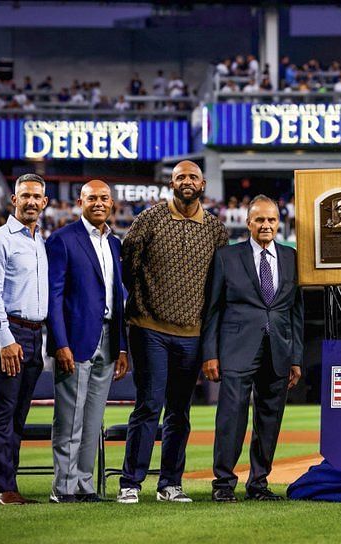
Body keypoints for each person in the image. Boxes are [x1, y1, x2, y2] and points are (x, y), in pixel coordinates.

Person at [117, 161, 228, 504]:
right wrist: (141, 307)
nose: (187, 181)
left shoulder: (215, 229)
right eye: (181, 176)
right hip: (149, 328)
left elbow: (218, 286)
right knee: (149, 405)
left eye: (193, 176)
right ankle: (131, 482)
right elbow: (127, 269)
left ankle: (170, 484)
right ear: (171, 183)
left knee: (180, 411)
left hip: (192, 335)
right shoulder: (149, 219)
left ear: (203, 183)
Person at [203, 195, 304, 502]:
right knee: (231, 418)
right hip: (236, 349)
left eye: (271, 220)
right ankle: (223, 484)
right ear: (248, 223)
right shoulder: (226, 257)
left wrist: (296, 358)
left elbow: (295, 312)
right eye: (259, 220)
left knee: (269, 420)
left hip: (279, 350)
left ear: (279, 222)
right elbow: (213, 310)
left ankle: (258, 484)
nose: (266, 225)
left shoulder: (291, 257)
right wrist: (210, 353)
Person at [46, 180, 128, 503]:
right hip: (76, 339)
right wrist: (59, 343)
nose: (98, 202)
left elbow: (118, 298)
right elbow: (53, 299)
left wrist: (121, 346)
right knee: (70, 418)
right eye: (91, 197)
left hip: (108, 339)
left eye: (104, 198)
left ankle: (84, 484)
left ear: (112, 203)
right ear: (80, 201)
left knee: (93, 419)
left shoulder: (115, 244)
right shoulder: (62, 240)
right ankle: (62, 488)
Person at [0, 173, 49, 505]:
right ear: (14, 201)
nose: (32, 201)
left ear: (45, 202)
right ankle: (3, 488)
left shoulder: (40, 241)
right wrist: (5, 340)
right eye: (26, 196)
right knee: (0, 411)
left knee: (17, 414)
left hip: (35, 335)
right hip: (8, 332)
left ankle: (1, 488)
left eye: (37, 196)